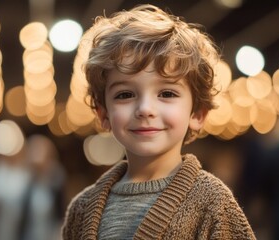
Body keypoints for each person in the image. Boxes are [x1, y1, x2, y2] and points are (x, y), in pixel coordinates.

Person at [62, 4, 256, 239]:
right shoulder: (81, 210)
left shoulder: (213, 203)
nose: (145, 109)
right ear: (103, 114)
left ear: (197, 114)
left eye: (167, 94)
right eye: (125, 94)